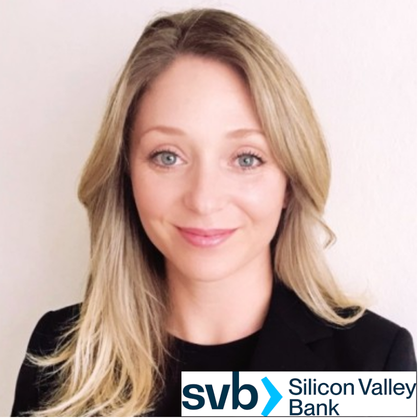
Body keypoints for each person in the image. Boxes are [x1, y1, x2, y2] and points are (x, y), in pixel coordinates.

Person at [11, 8, 416, 417]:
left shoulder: (372, 363)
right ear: (125, 173)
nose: (204, 200)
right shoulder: (60, 355)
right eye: (168, 156)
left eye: (246, 158)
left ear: (290, 182)